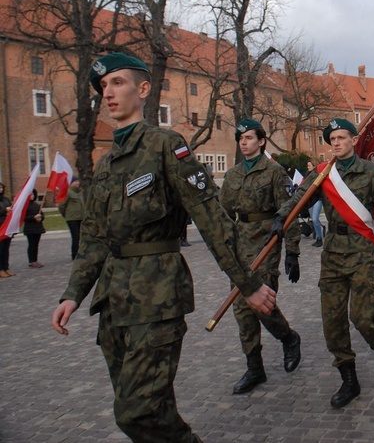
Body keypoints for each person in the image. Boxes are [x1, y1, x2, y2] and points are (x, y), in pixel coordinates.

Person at [51, 52, 276, 443]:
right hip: (114, 303)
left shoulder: (166, 146)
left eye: (117, 83)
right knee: (153, 410)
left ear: (142, 88)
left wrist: (248, 283)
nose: (108, 93)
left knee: (136, 413)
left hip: (157, 299)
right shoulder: (105, 165)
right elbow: (93, 237)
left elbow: (211, 220)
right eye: (103, 86)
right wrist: (73, 293)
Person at [273, 117, 374, 409]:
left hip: (362, 251)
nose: (336, 142)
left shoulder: (370, 172)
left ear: (353, 140)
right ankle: (348, 378)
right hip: (333, 255)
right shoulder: (323, 174)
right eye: (332, 139)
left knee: (362, 317)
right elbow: (299, 198)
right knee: (333, 322)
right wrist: (281, 216)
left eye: (342, 137)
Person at [219, 118, 302, 395]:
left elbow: (289, 212)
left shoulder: (275, 172)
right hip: (240, 247)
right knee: (241, 309)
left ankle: (288, 337)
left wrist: (292, 252)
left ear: (261, 141)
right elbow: (223, 215)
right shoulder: (232, 175)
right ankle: (254, 367)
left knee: (262, 303)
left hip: (266, 243)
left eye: (249, 138)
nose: (244, 143)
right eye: (240, 139)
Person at [58, 177, 84, 259]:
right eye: (75, 181)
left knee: (81, 236)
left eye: (78, 181)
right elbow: (62, 205)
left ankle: (80, 252)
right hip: (72, 218)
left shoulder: (80, 192)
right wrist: (66, 214)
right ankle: (75, 254)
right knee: (75, 236)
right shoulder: (68, 192)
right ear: (71, 183)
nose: (77, 183)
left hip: (81, 217)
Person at [23, 189, 45, 268]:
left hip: (38, 227)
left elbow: (42, 215)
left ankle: (35, 260)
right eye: (30, 194)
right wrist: (33, 217)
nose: (31, 196)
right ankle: (31, 261)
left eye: (33, 194)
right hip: (30, 228)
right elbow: (23, 218)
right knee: (31, 244)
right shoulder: (25, 206)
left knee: (36, 244)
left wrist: (41, 218)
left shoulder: (37, 205)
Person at [305, 160, 325, 247]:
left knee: (315, 218)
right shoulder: (307, 175)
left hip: (318, 199)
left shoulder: (319, 174)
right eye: (307, 165)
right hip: (310, 199)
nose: (308, 167)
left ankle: (320, 238)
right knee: (313, 220)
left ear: (314, 166)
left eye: (309, 166)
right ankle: (318, 236)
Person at [0, 182, 14, 278]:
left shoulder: (6, 199)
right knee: (0, 249)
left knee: (6, 249)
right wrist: (5, 210)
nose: (0, 189)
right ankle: (0, 269)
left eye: (1, 187)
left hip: (7, 226)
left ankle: (6, 267)